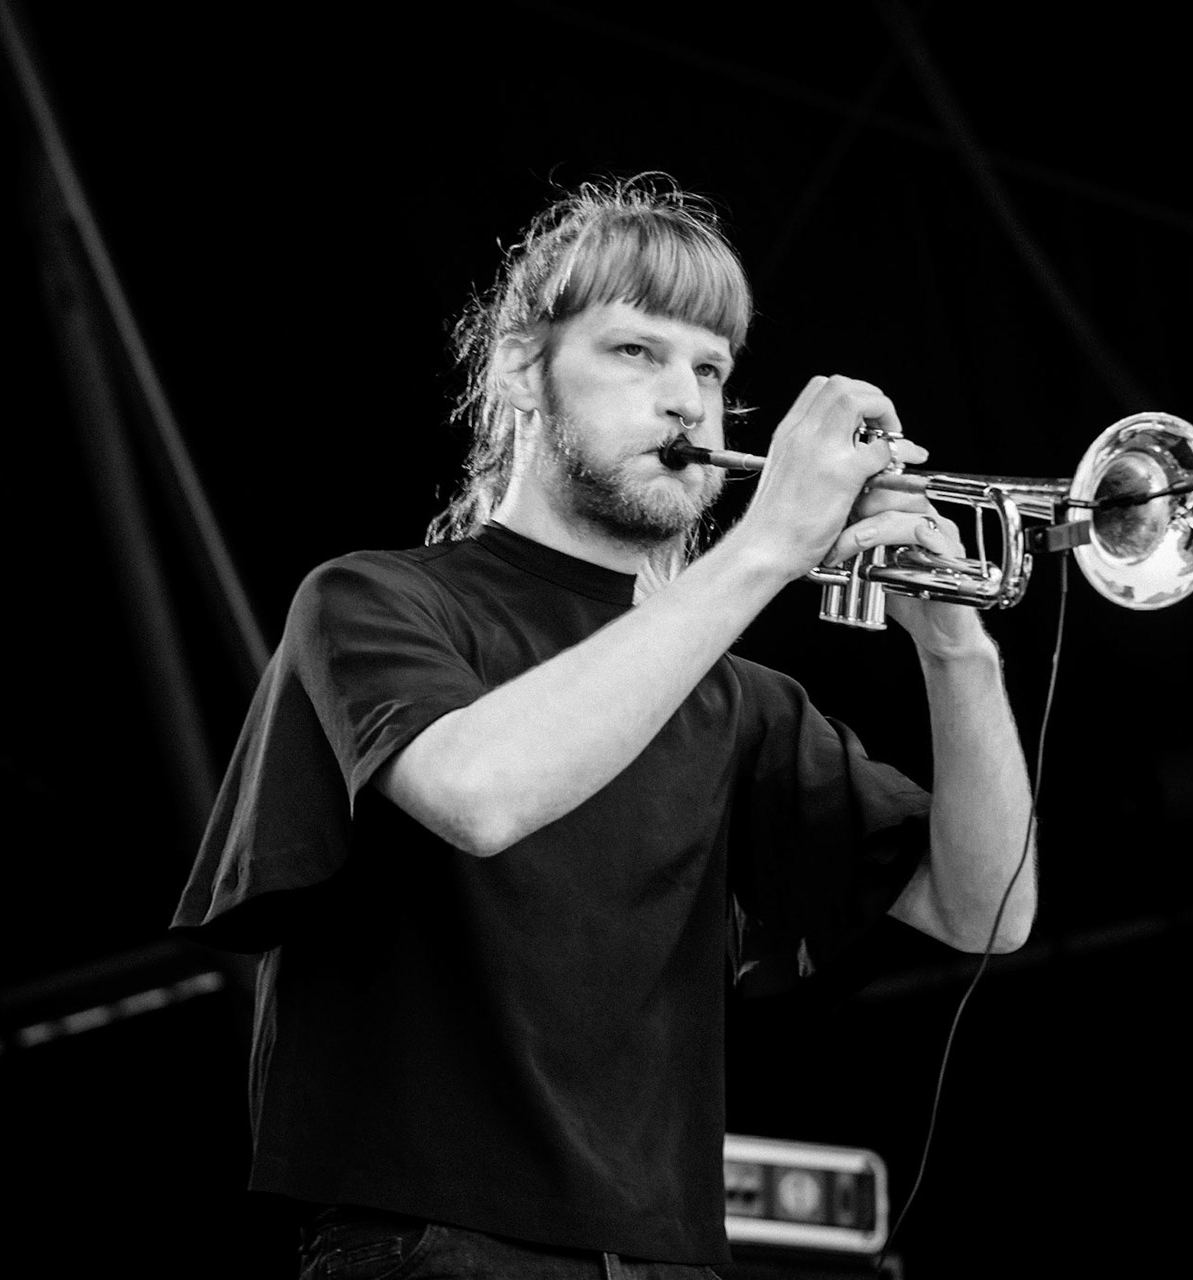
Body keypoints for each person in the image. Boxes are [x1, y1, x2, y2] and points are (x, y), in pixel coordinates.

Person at [171, 175, 1036, 1277]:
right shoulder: (371, 600)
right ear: (520, 372)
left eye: (712, 368)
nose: (688, 400)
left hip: (668, 1255)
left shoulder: (735, 697)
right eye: (637, 353)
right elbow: (480, 794)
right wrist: (768, 544)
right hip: (432, 1248)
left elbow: (987, 908)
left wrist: (952, 644)